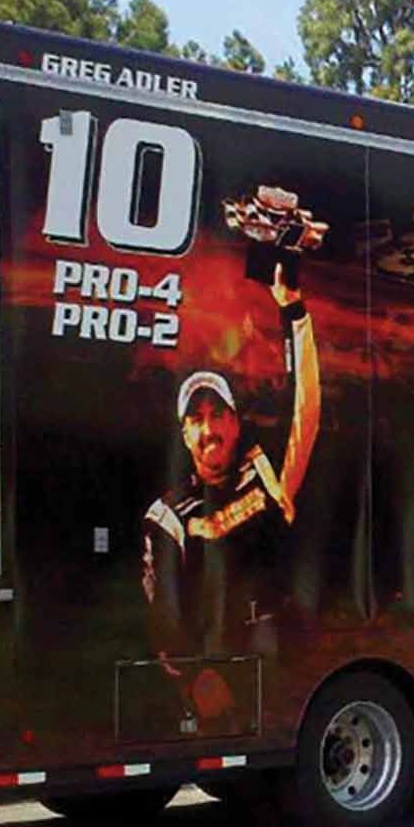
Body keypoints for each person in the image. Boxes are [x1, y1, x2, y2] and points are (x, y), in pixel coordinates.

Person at [141, 189, 326, 675]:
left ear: (235, 420)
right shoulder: (168, 517)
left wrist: (294, 314)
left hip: (281, 665)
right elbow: (165, 616)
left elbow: (305, 410)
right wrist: (194, 679)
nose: (209, 430)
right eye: (196, 420)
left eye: (217, 414)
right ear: (183, 434)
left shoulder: (264, 472)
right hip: (214, 675)